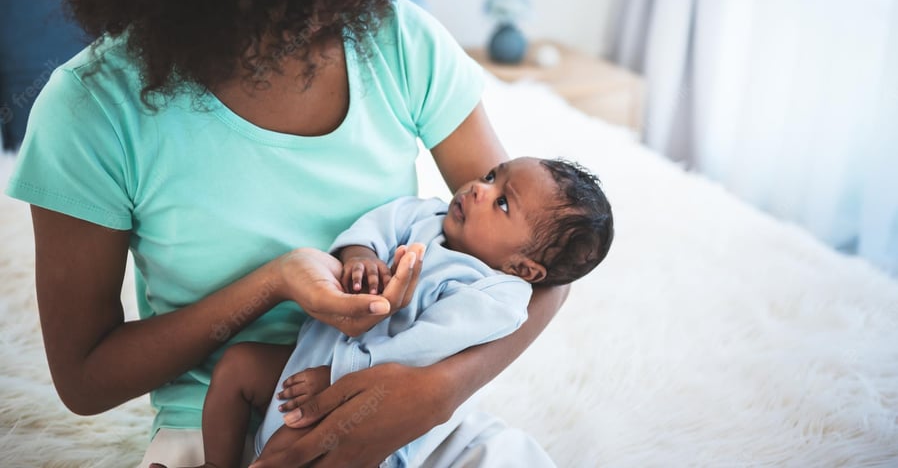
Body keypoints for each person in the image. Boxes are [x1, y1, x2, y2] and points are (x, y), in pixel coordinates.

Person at [0, 0, 575, 467]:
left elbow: (546, 263)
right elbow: (86, 378)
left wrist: (434, 393)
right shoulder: (92, 109)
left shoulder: (399, 44)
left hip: (406, 416)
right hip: (222, 435)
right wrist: (275, 281)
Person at [158, 157, 613, 468]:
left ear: (522, 267)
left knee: (292, 449)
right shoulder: (427, 216)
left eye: (502, 202)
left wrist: (338, 377)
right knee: (238, 366)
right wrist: (360, 258)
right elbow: (373, 228)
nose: (478, 188)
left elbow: (421, 351)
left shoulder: (495, 297)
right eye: (493, 175)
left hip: (366, 404)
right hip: (302, 362)